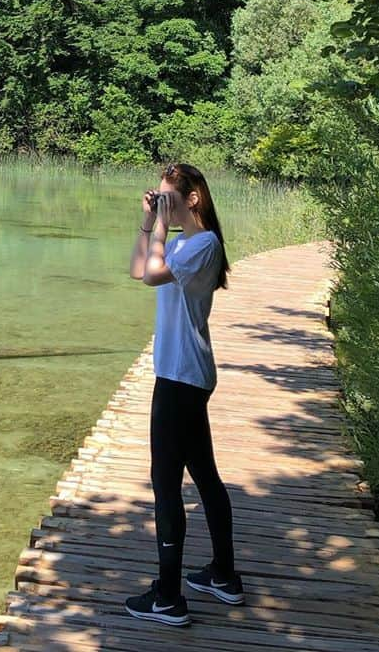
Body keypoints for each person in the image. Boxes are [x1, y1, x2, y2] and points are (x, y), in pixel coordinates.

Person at [122, 161, 244, 627]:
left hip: (180, 377)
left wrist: (158, 229)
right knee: (205, 475)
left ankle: (168, 597)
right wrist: (147, 222)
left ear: (192, 198)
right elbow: (138, 270)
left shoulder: (203, 244)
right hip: (184, 375)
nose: (162, 204)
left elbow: (153, 275)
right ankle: (223, 575)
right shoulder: (181, 243)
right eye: (158, 198)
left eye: (167, 197)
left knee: (166, 484)